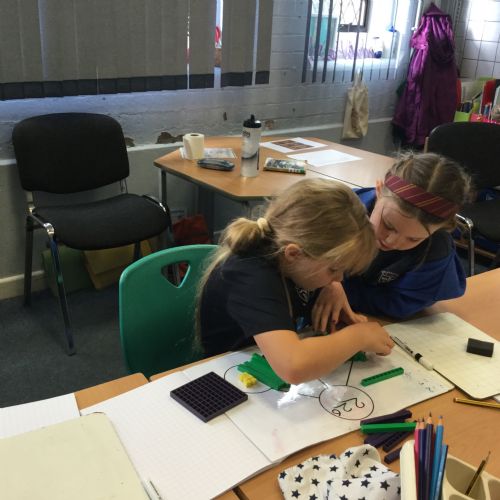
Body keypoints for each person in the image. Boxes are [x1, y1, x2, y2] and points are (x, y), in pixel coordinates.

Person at [197, 178, 394, 385]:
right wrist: (358, 337)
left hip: (264, 366)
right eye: (334, 269)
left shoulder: (300, 264)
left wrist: (332, 294)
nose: (339, 279)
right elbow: (293, 366)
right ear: (294, 253)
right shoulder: (249, 274)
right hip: (226, 376)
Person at [314, 152, 471, 331]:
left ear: (441, 228)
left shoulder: (436, 248)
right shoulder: (338, 211)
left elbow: (403, 303)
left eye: (413, 239)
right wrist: (328, 281)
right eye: (388, 225)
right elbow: (298, 259)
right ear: (379, 191)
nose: (392, 241)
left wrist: (344, 291)